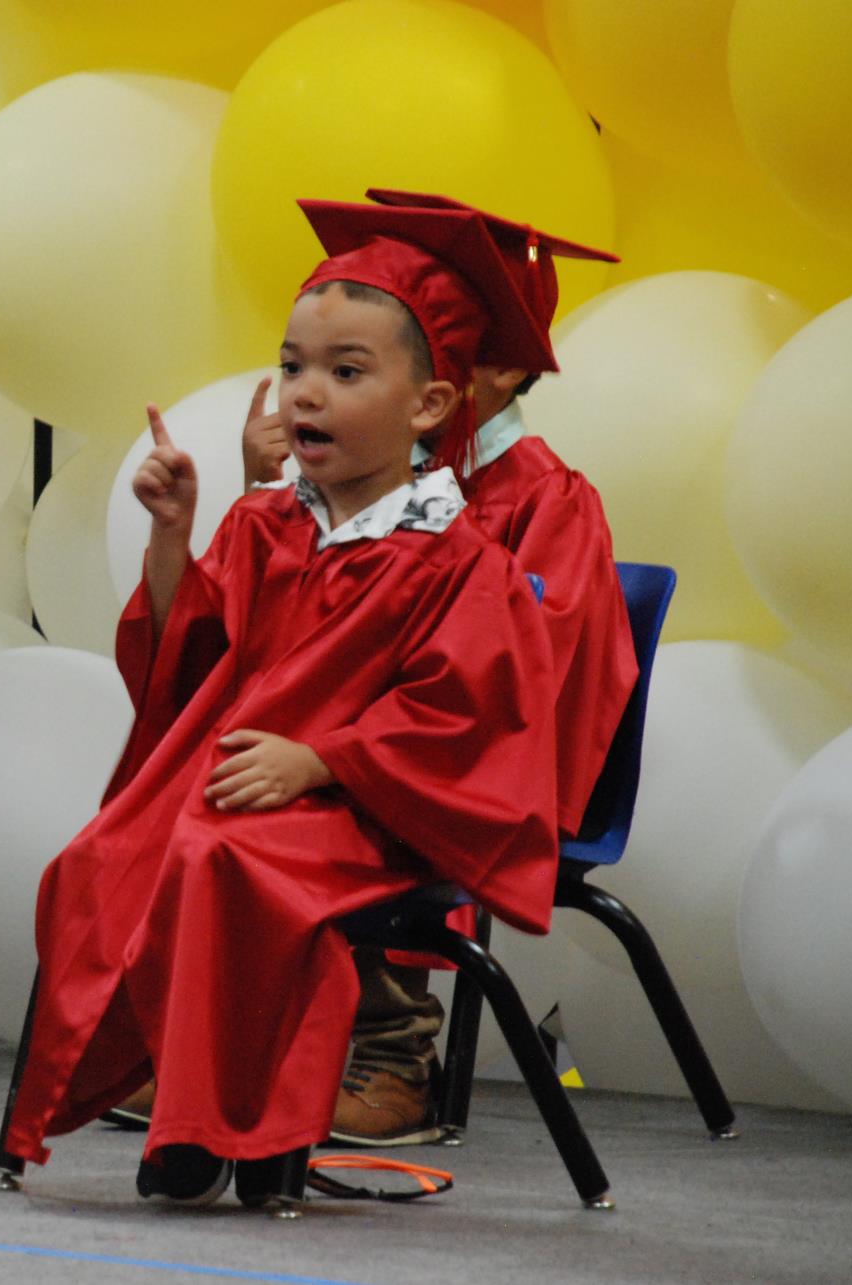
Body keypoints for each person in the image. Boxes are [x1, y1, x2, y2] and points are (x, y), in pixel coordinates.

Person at [0, 200, 563, 1207]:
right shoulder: (268, 529)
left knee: (222, 861)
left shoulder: (455, 557)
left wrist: (325, 761)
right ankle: (194, 1110)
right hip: (253, 783)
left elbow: (465, 718)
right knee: (101, 856)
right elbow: (192, 657)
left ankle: (233, 1129)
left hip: (378, 809)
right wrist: (173, 534)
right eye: (294, 364)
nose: (307, 392)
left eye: (347, 373)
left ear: (430, 406)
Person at [238, 191, 636, 1146]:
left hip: (473, 752)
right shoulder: (378, 486)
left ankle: (391, 1056)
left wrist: (354, 733)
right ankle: (232, 1041)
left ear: (489, 370)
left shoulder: (545, 500)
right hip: (350, 739)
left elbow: (522, 672)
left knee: (340, 797)